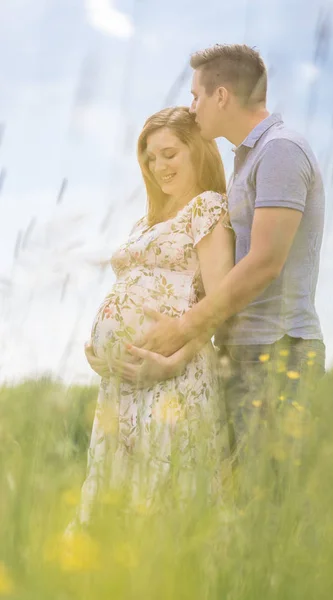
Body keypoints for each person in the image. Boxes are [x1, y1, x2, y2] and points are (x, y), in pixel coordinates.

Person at [122, 44, 326, 462]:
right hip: (244, 352)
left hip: (277, 352)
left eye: (196, 96)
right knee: (244, 505)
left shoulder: (280, 150)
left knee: (273, 505)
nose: (192, 107)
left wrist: (181, 329)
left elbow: (265, 262)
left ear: (221, 96)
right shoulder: (248, 162)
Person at [77, 106, 234, 524]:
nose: (158, 166)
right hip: (122, 385)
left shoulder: (209, 209)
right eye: (150, 157)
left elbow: (221, 302)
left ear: (196, 151)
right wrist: (100, 352)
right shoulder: (144, 222)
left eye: (169, 154)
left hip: (172, 376)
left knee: (164, 498)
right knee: (117, 503)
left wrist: (174, 358)